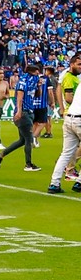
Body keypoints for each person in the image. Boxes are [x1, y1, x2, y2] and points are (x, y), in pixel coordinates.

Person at [0, 63, 45, 172]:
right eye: (37, 71)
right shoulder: (23, 81)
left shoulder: (34, 80)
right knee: (29, 138)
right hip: (23, 112)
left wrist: (39, 86)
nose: (38, 73)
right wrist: (18, 111)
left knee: (22, 140)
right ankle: (28, 164)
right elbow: (19, 97)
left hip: (30, 111)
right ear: (32, 71)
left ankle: (1, 155)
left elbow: (37, 95)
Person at [48, 55, 81, 193]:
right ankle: (79, 183)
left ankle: (54, 184)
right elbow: (67, 96)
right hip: (80, 118)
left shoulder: (77, 80)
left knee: (66, 153)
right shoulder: (72, 78)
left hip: (69, 118)